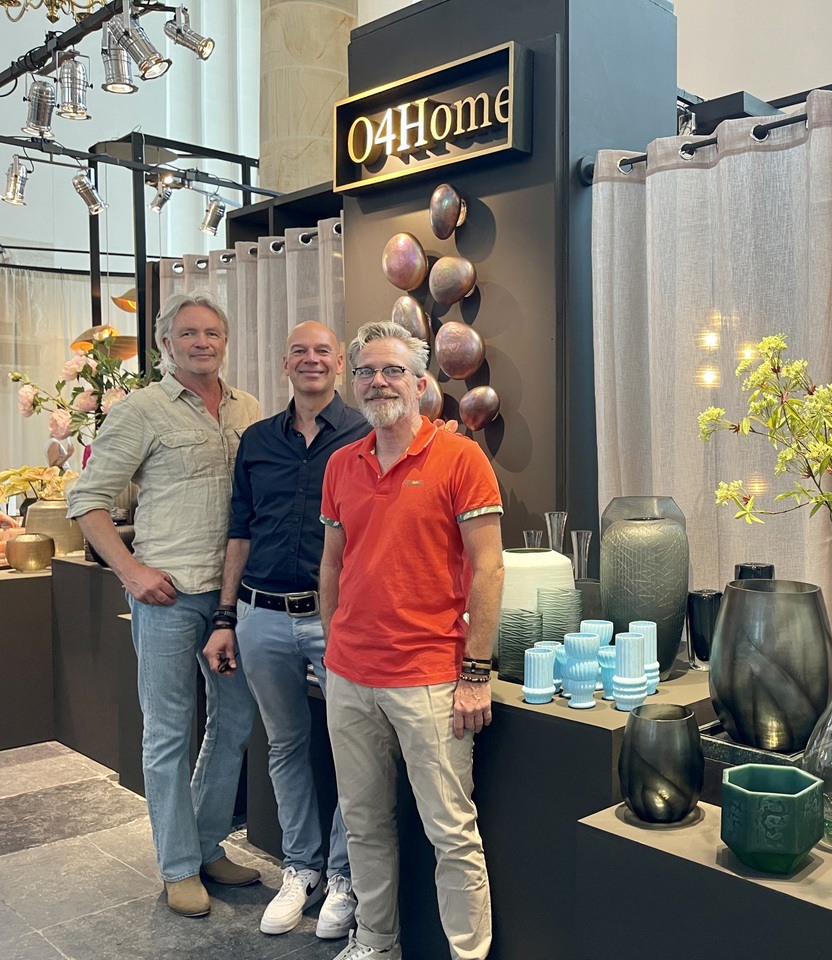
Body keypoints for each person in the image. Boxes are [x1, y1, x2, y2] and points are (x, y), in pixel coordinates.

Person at [67, 291, 262, 918]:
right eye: (189, 333)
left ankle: (205, 846)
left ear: (225, 341)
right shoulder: (141, 411)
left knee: (234, 723)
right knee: (169, 732)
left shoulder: (248, 409)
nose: (202, 342)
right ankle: (178, 866)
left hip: (232, 599)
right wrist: (131, 572)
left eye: (212, 333)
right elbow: (87, 500)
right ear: (165, 344)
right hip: (168, 598)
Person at [319, 321, 504, 960]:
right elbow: (332, 564)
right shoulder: (342, 464)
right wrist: (333, 646)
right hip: (350, 676)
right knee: (363, 824)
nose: (379, 381)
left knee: (451, 833)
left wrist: (475, 674)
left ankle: (467, 954)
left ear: (421, 382)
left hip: (429, 677)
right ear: (354, 383)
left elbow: (489, 568)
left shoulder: (460, 458)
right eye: (367, 371)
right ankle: (375, 943)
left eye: (393, 370)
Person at [201, 322, 366, 938]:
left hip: (336, 619)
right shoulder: (258, 440)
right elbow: (239, 531)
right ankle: (302, 868)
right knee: (285, 745)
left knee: (352, 746)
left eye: (323, 350)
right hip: (261, 616)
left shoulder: (363, 434)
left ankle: (344, 876)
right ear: (285, 363)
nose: (311, 359)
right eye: (300, 351)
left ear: (339, 363)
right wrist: (225, 617)